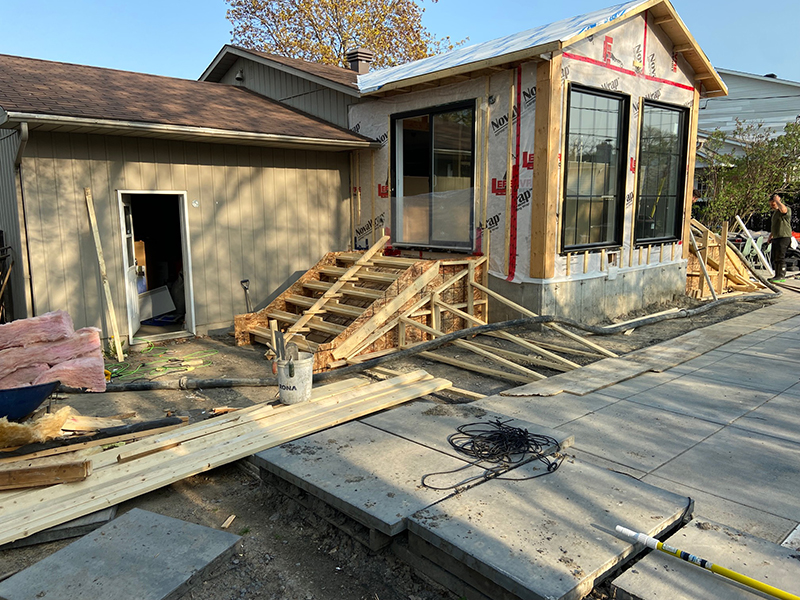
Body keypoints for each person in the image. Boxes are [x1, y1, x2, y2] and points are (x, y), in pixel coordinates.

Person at [766, 192, 792, 282]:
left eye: (772, 204)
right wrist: (770, 236)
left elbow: (783, 210)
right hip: (776, 237)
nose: (771, 206)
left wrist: (777, 201)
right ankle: (777, 275)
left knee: (780, 256)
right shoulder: (775, 213)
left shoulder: (786, 209)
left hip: (784, 236)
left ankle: (781, 275)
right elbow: (774, 226)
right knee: (776, 257)